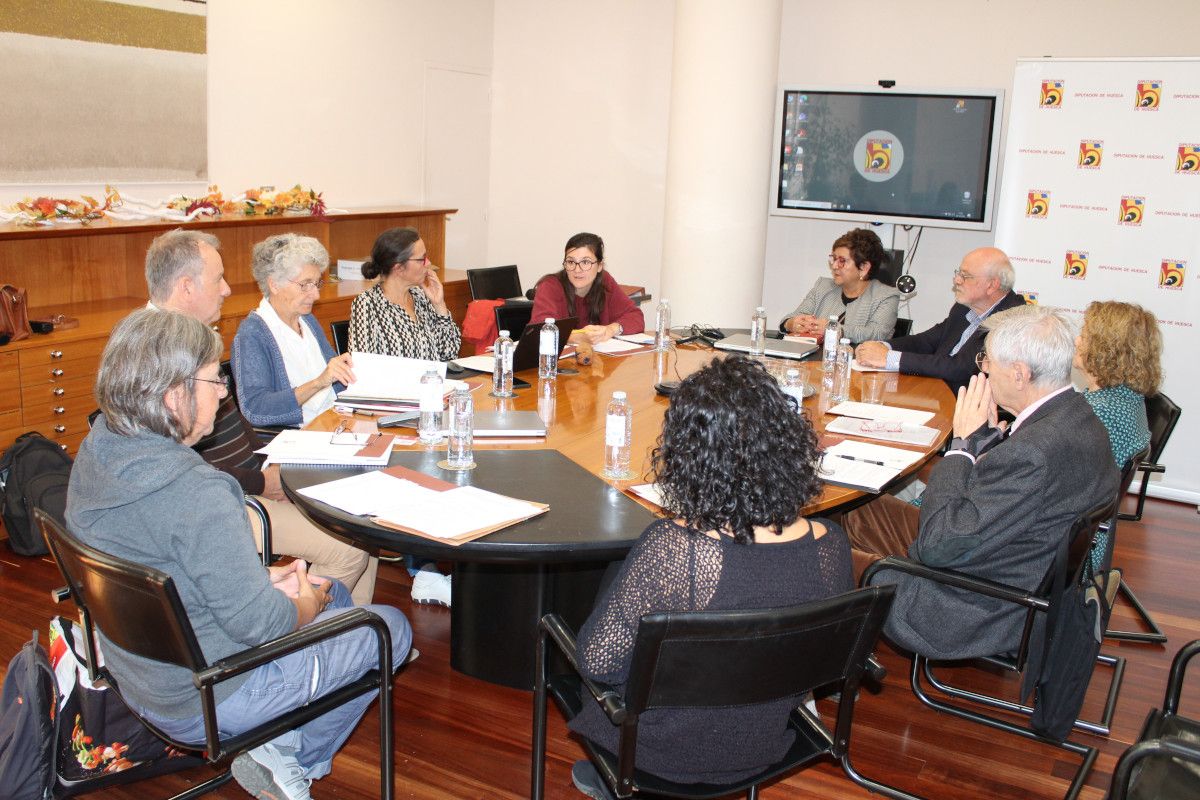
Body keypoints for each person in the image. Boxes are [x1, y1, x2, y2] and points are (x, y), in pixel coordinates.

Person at [65, 308, 412, 800]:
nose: (224, 393)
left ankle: (287, 725)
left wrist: (268, 587)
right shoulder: (196, 490)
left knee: (333, 590)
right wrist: (300, 603)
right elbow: (262, 627)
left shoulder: (96, 451)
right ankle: (294, 759)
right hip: (205, 694)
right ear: (172, 395)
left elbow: (162, 564)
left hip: (137, 670)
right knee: (387, 628)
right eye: (215, 379)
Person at [567, 356, 853, 796]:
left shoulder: (676, 547)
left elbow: (597, 664)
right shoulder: (828, 543)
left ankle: (615, 779)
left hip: (655, 752)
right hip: (764, 740)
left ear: (688, 455)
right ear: (788, 441)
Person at [842, 306, 1119, 660]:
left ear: (1019, 374)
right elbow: (1010, 501)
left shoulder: (1034, 452)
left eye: (987, 361)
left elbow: (937, 547)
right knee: (860, 507)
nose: (982, 368)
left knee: (819, 551)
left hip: (971, 603)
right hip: (996, 555)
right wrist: (986, 446)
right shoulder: (1082, 419)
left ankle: (821, 672)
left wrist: (961, 447)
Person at [144, 229, 377, 605]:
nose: (227, 290)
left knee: (358, 524)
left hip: (240, 483)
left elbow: (235, 419)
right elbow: (183, 468)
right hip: (217, 505)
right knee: (350, 544)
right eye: (218, 278)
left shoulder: (182, 338)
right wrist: (262, 482)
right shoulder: (159, 353)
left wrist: (269, 468)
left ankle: (355, 636)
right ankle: (307, 637)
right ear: (186, 287)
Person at [854, 247, 1026, 394]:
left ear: (992, 285)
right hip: (936, 390)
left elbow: (961, 368)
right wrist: (883, 346)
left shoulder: (1010, 319)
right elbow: (927, 341)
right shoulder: (964, 307)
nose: (957, 280)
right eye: (958, 273)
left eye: (965, 276)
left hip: (966, 404)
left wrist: (889, 358)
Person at [232, 233, 355, 427]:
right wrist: (318, 383)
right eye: (305, 285)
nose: (315, 294)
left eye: (317, 284)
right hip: (301, 436)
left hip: (336, 421)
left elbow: (336, 380)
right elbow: (255, 409)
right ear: (274, 284)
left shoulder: (307, 320)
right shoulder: (253, 334)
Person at [1074, 300, 1161, 568]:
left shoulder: (1101, 414)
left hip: (1073, 553)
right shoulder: (1125, 399)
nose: (1077, 341)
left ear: (1105, 350)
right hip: (1089, 540)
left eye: (1085, 335)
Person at [347, 227, 461, 361]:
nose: (428, 263)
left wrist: (439, 305)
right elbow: (362, 366)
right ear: (399, 267)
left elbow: (449, 353)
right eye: (422, 259)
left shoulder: (420, 296)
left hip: (433, 380)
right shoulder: (367, 304)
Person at [780, 227, 900, 343]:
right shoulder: (823, 286)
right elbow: (796, 315)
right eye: (834, 258)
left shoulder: (886, 297)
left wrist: (836, 330)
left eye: (842, 261)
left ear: (863, 268)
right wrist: (791, 323)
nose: (834, 266)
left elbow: (876, 333)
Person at [529, 232, 645, 345]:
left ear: (599, 266)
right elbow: (540, 330)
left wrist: (610, 330)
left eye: (585, 262)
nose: (577, 270)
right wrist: (574, 337)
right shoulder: (550, 286)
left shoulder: (605, 282)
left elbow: (635, 316)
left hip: (597, 360)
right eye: (571, 262)